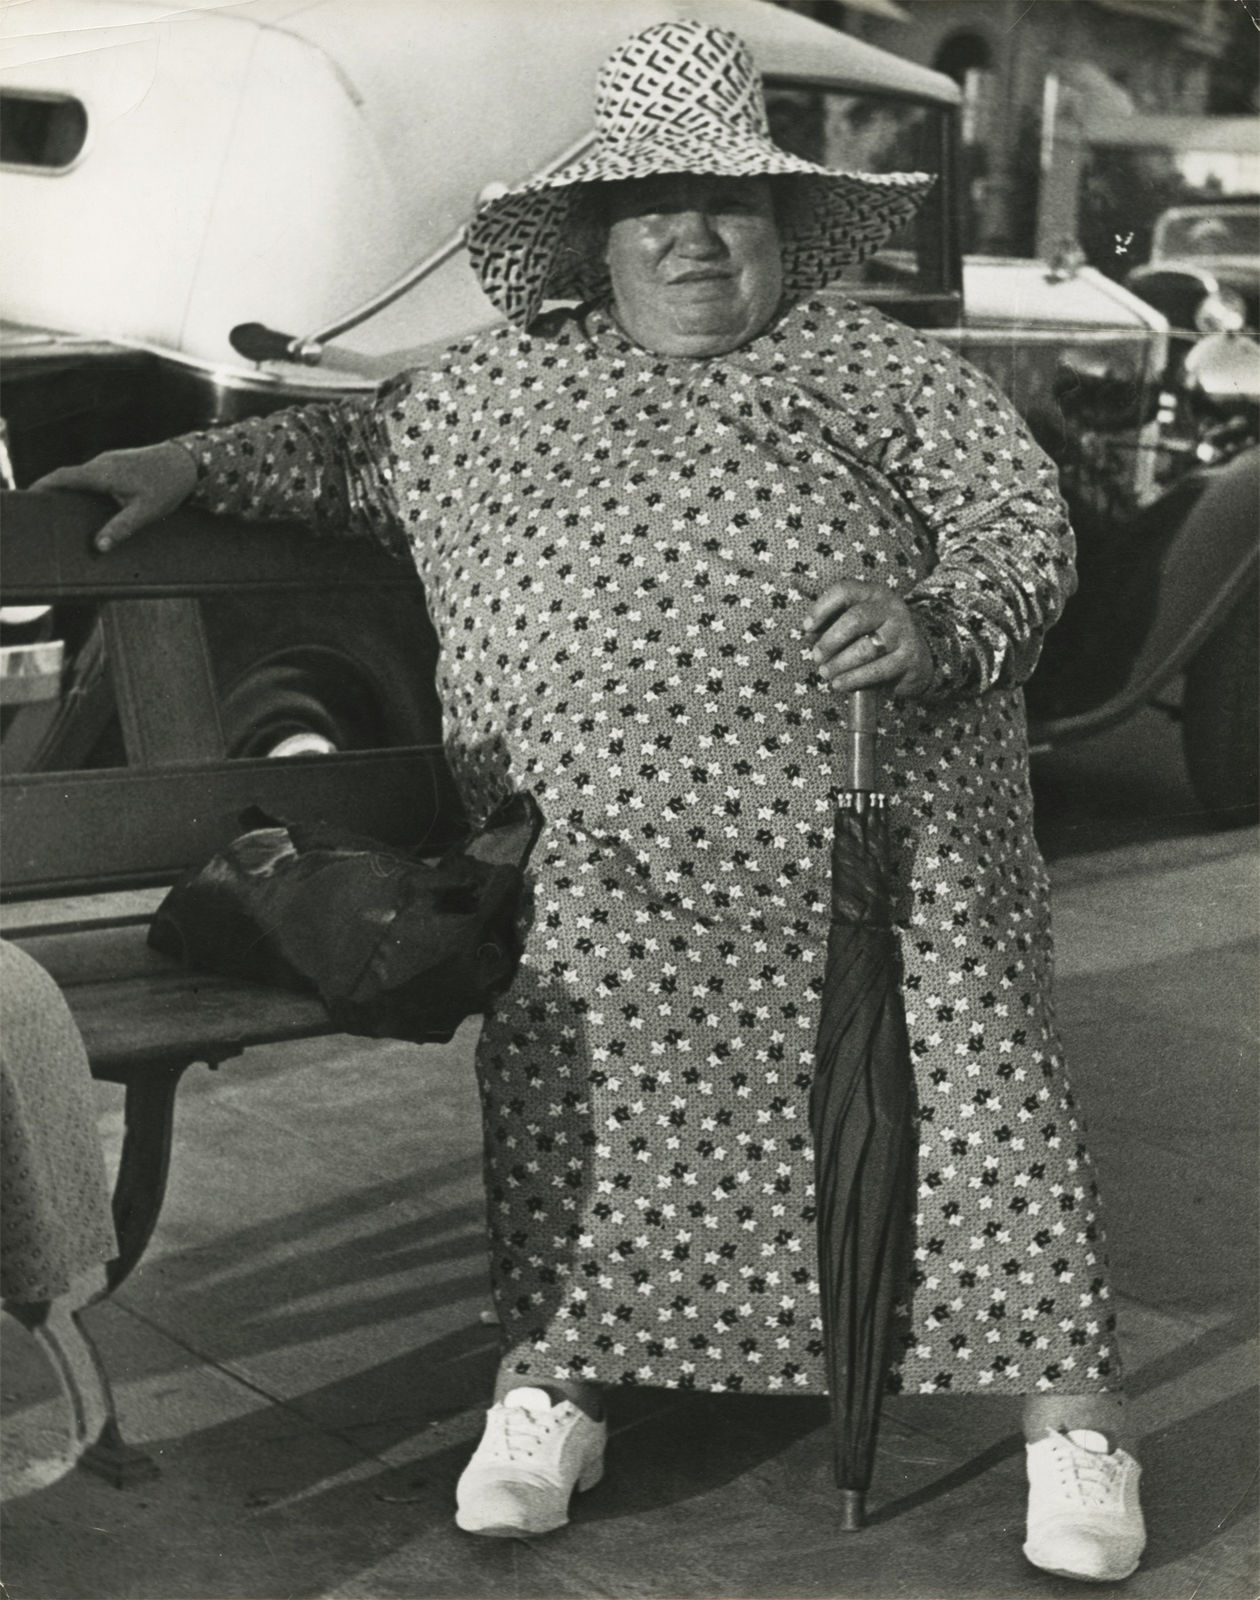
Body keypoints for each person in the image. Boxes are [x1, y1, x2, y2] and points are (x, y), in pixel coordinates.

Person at [33, 20, 1146, 1582]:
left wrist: (932, 627)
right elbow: (345, 453)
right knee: (580, 1039)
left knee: (971, 1057)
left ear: (780, 230)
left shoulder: (889, 377)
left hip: (872, 835)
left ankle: (1072, 1418)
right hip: (605, 853)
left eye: (729, 205)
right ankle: (555, 1377)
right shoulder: (489, 388)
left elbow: (1019, 528)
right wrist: (182, 464)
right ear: (598, 238)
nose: (695, 234)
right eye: (655, 204)